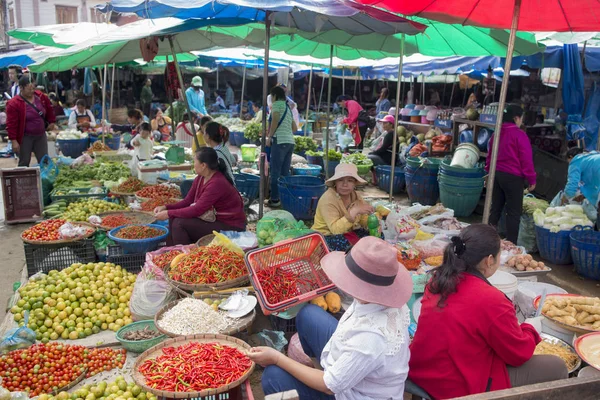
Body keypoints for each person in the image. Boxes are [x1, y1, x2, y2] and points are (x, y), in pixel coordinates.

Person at [409, 224, 568, 399]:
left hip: (423, 371)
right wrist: (531, 329)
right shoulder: (491, 299)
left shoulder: (437, 279)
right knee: (556, 366)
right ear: (489, 260)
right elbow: (518, 354)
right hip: (457, 386)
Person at [252, 236, 412, 400]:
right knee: (308, 315)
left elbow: (329, 386)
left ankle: (311, 383)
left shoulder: (370, 339)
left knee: (272, 378)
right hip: (355, 364)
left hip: (353, 395)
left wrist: (277, 358)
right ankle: (317, 372)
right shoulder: (384, 296)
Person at [154, 147, 245, 245]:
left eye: (195, 161)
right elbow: (187, 201)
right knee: (174, 218)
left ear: (203, 165)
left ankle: (185, 256)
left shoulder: (217, 182)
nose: (194, 164)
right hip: (213, 220)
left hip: (230, 226)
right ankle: (172, 253)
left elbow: (197, 209)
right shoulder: (201, 178)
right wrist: (165, 207)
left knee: (179, 223)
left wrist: (168, 213)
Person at [486, 104, 536, 244]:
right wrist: (531, 179)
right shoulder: (520, 135)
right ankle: (511, 244)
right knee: (514, 212)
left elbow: (490, 156)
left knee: (495, 209)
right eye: (521, 118)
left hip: (496, 175)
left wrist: (488, 174)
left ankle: (487, 239)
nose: (521, 121)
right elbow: (526, 160)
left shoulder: (496, 133)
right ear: (516, 118)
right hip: (513, 178)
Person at [312, 163, 375, 252]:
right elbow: (335, 230)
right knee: (345, 245)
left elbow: (362, 219)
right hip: (326, 236)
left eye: (350, 181)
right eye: (340, 180)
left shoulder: (355, 196)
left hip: (347, 233)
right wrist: (354, 212)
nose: (345, 185)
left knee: (376, 236)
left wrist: (372, 222)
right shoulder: (328, 199)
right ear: (335, 182)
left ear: (355, 183)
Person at [7, 75, 57, 167]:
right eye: (29, 89)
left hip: (41, 135)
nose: (32, 91)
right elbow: (11, 124)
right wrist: (14, 141)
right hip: (25, 137)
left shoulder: (41, 97)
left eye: (33, 88)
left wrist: (52, 121)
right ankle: (23, 180)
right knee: (24, 162)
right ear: (21, 88)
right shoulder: (14, 103)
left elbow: (50, 109)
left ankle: (45, 179)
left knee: (44, 161)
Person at [266, 85, 297, 208]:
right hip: (290, 142)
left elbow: (274, 121)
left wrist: (269, 137)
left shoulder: (277, 105)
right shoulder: (288, 108)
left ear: (274, 96)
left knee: (275, 171)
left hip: (280, 141)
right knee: (284, 173)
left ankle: (274, 199)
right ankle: (284, 198)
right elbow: (294, 128)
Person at [562, 148, 600, 216]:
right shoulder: (590, 157)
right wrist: (584, 196)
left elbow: (572, 185)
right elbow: (594, 184)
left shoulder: (575, 162)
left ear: (570, 157)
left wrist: (564, 198)